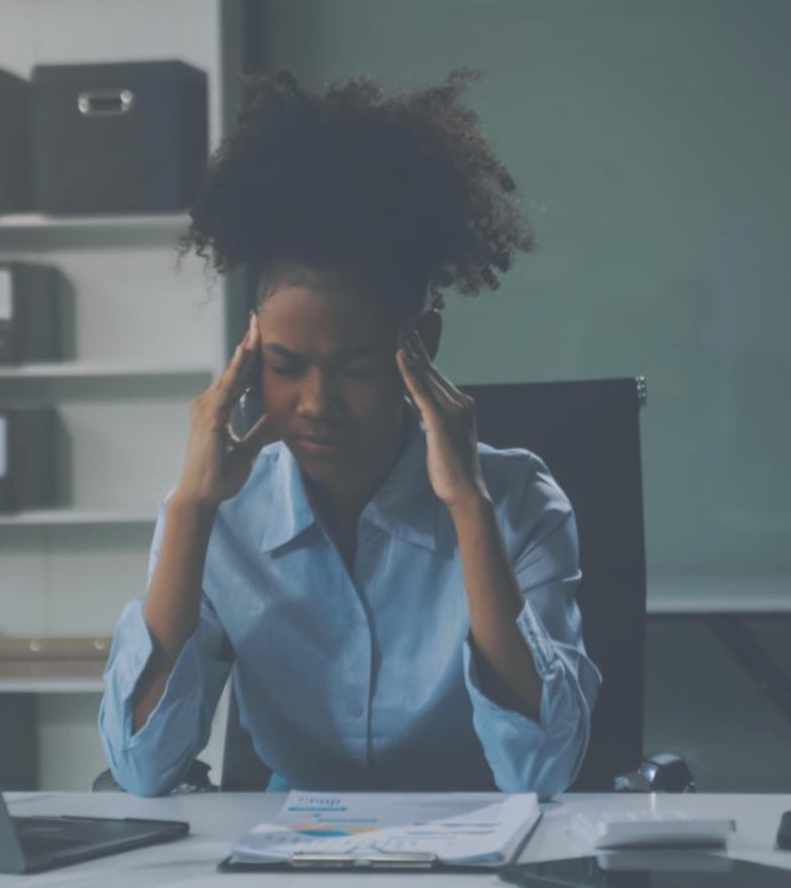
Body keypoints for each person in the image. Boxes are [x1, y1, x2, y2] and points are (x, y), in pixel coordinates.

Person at [98, 70, 600, 797]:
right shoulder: (221, 517)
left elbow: (541, 770)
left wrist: (469, 510)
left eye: (355, 367)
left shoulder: (519, 500)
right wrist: (191, 509)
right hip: (288, 845)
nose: (316, 404)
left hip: (475, 840)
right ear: (250, 354)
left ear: (420, 346)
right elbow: (140, 770)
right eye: (284, 366)